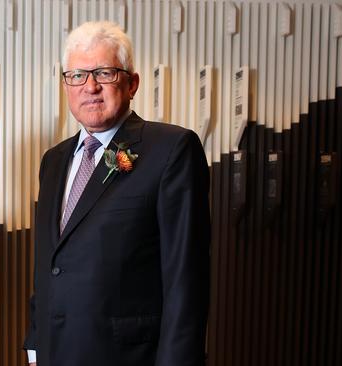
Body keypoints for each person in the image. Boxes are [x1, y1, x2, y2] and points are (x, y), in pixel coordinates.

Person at [24, 21, 211, 366]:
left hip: (128, 356)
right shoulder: (53, 160)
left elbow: (186, 277)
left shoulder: (171, 149)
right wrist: (36, 345)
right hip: (55, 352)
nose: (90, 87)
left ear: (132, 83)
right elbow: (50, 262)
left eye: (105, 73)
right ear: (66, 85)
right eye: (77, 75)